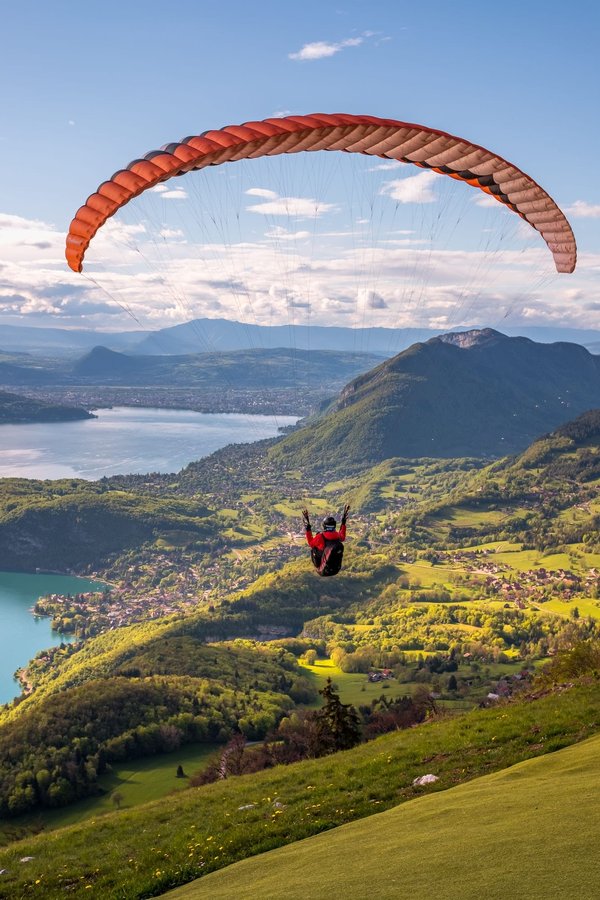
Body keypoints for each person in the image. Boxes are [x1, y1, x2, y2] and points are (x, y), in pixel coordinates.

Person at [302, 504, 350, 577]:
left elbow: (311, 543)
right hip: (336, 569)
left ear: (324, 526)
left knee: (313, 548)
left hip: (322, 570)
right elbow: (342, 535)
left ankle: (319, 564)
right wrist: (343, 523)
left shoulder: (320, 536)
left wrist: (308, 530)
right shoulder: (338, 535)